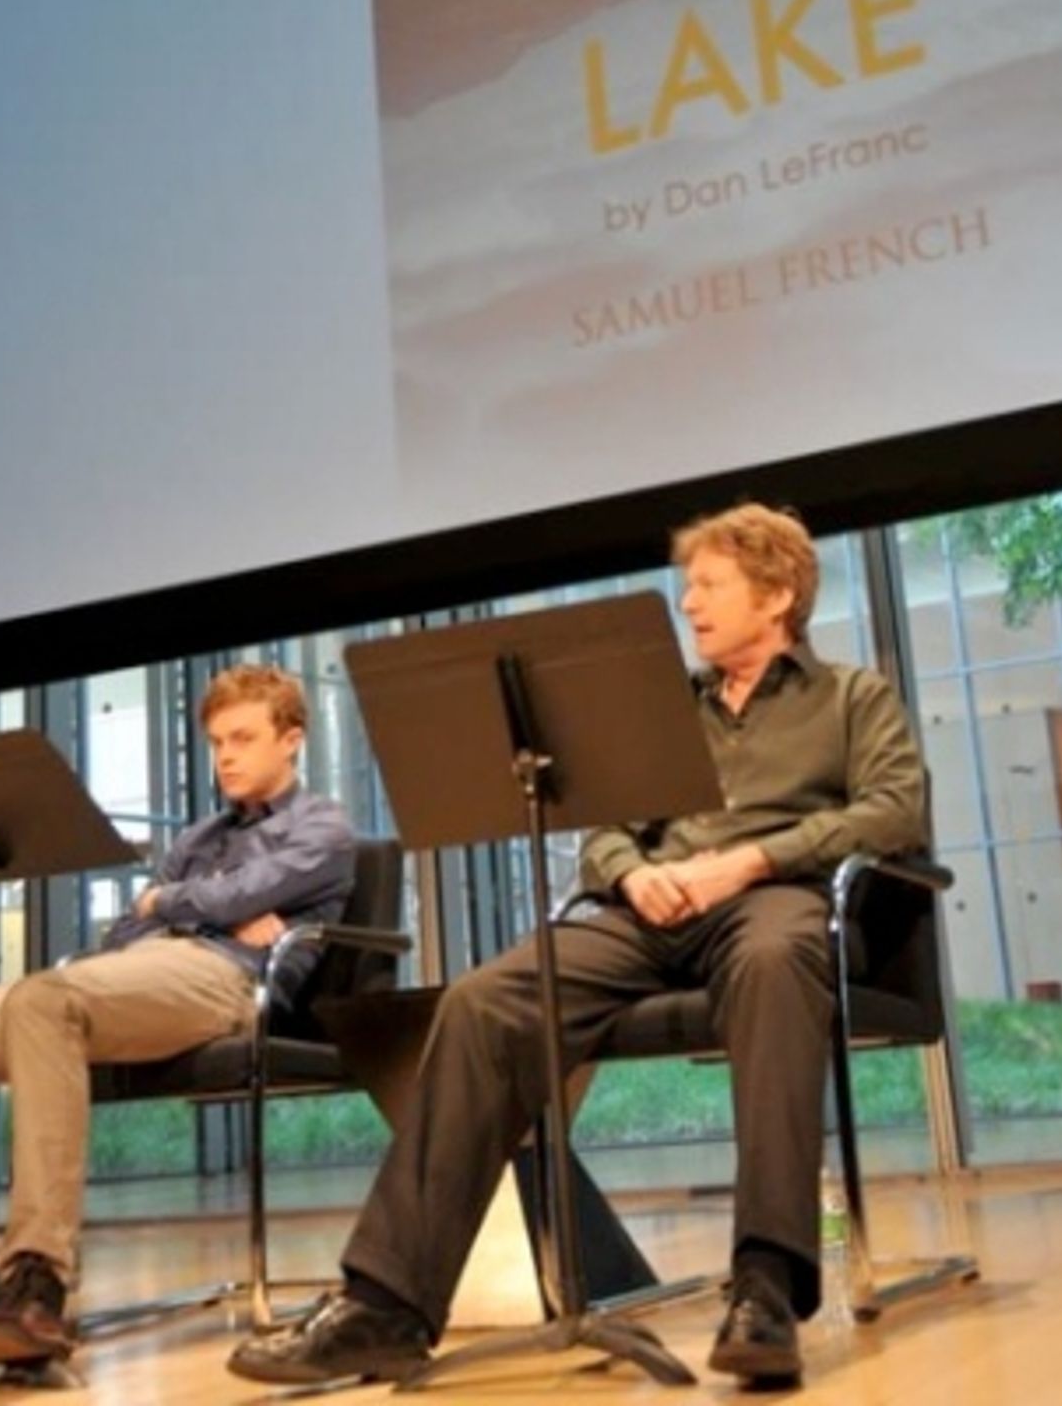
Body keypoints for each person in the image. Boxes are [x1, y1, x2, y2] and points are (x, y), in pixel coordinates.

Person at [229, 502, 925, 1390]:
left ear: (778, 593)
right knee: (484, 1000)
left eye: (708, 586)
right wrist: (632, 873)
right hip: (651, 911)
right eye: (687, 587)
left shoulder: (852, 697)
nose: (689, 603)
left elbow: (894, 810)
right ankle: (385, 1304)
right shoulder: (670, 707)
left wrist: (751, 859)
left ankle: (766, 1286)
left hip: (773, 901)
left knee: (773, 960)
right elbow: (603, 829)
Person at [0, 661, 355, 1388]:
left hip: (223, 979)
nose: (225, 757)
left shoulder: (323, 826)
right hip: (131, 976)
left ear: (292, 738)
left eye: (242, 738)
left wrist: (172, 902)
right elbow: (127, 929)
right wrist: (207, 905)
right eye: (216, 742)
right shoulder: (199, 836)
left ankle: (37, 1284)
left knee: (42, 1000)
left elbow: (211, 900)